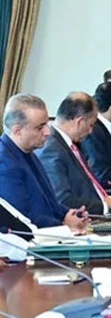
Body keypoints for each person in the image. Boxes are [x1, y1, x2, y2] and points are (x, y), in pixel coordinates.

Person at [0, 94, 88, 230]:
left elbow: (48, 203)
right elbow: (24, 219)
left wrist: (69, 214)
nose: (48, 132)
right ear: (17, 131)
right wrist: (65, 225)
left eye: (47, 123)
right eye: (40, 127)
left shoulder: (29, 152)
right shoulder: (4, 164)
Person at [36, 92, 111, 215]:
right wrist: (105, 206)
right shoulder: (52, 150)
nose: (91, 131)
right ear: (79, 122)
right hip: (89, 218)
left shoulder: (68, 144)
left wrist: (109, 200)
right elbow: (63, 200)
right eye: (90, 125)